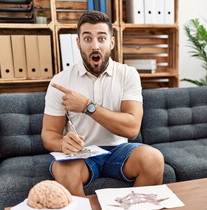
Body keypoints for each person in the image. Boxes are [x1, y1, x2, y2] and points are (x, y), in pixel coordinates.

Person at [41, 11, 164, 196]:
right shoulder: (61, 81)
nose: (95, 45)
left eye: (101, 38)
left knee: (153, 159)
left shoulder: (128, 74)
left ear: (111, 43)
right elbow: (49, 134)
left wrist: (87, 107)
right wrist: (62, 144)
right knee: (64, 171)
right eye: (88, 38)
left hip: (120, 150)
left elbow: (132, 129)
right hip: (81, 154)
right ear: (78, 43)